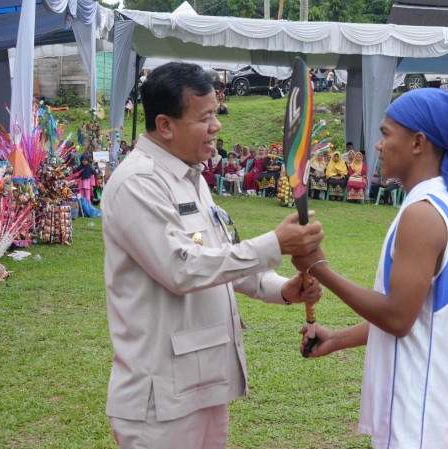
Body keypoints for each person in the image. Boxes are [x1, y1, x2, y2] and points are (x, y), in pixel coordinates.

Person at [101, 62, 324, 449]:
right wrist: (276, 243)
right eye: (204, 117)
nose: (217, 126)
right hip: (160, 398)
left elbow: (220, 256)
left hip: (202, 383)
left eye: (215, 113)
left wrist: (282, 289)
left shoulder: (189, 176)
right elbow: (182, 268)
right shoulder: (139, 183)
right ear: (165, 125)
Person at [292, 88, 448, 448]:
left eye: (386, 134)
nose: (377, 146)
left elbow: (397, 318)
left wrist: (320, 268)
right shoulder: (437, 203)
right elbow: (416, 316)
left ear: (418, 142)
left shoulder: (422, 214)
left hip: (415, 417)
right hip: (427, 414)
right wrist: (337, 340)